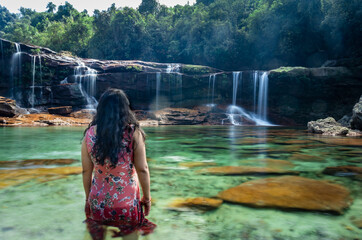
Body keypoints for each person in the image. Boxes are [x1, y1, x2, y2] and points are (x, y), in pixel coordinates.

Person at [81, 88, 156, 240]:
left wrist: (88, 199)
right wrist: (147, 198)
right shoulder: (132, 133)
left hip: (98, 202)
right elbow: (142, 169)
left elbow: (86, 171)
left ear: (100, 108)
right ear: (125, 108)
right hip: (126, 203)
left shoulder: (89, 134)